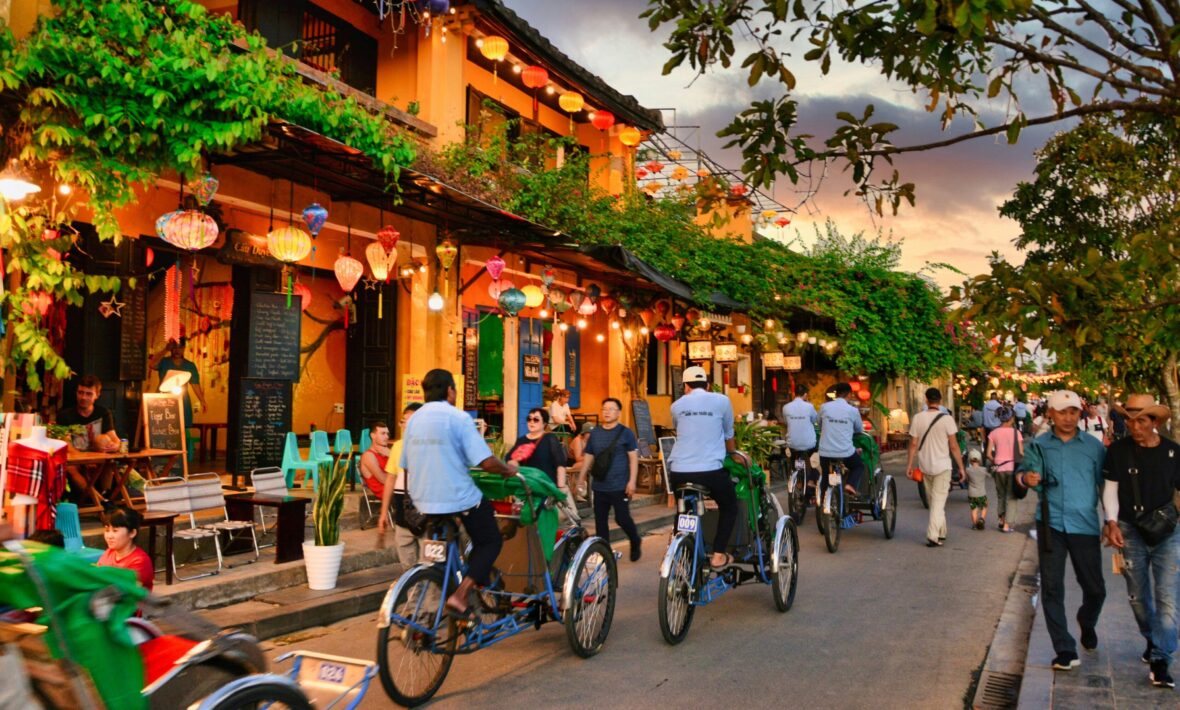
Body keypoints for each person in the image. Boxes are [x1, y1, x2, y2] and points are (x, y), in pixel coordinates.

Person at [400, 369, 518, 618]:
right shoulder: (457, 417)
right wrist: (508, 469)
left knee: (444, 551)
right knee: (490, 541)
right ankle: (461, 594)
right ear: (450, 391)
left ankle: (447, 586)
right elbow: (486, 462)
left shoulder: (413, 421)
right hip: (458, 499)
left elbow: (407, 466)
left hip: (421, 501)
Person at [1016, 389, 1107, 672]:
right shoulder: (1039, 445)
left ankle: (1087, 621)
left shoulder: (1094, 447)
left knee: (1095, 589)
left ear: (1080, 414)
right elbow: (1022, 475)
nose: (1068, 418)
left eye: (1073, 412)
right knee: (1052, 588)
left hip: (1084, 525)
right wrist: (1026, 478)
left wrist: (1112, 521)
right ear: (1051, 414)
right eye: (1062, 412)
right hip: (1051, 523)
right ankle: (1064, 649)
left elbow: (1106, 486)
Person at [1100, 394, 1180, 689]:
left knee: (1168, 597)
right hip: (1129, 530)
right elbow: (1110, 489)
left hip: (1167, 533)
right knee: (1137, 597)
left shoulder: (1173, 452)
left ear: (1154, 421)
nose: (1135, 427)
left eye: (1141, 421)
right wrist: (1111, 522)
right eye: (1130, 420)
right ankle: (1152, 639)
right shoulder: (1118, 451)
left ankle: (1161, 658)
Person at [667, 366, 739, 569]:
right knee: (729, 506)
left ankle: (679, 552)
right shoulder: (722, 401)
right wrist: (733, 454)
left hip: (678, 472)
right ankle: (718, 554)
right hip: (710, 471)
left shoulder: (676, 406)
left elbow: (679, 428)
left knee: (683, 508)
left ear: (685, 386)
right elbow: (728, 434)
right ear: (707, 385)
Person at [581, 398, 642, 562]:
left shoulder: (626, 433)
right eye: (604, 409)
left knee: (621, 518)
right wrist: (580, 478)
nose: (607, 412)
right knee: (600, 523)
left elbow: (633, 459)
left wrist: (632, 481)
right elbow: (588, 457)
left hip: (620, 486)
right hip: (599, 486)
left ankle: (635, 539)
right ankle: (605, 556)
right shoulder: (595, 433)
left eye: (611, 409)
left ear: (618, 413)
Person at [906, 387, 964, 546]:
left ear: (926, 400)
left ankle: (941, 532)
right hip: (943, 467)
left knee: (935, 502)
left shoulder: (918, 418)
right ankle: (933, 535)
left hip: (925, 466)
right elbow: (954, 446)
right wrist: (961, 467)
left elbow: (913, 444)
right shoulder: (947, 419)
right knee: (937, 502)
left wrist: (909, 465)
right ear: (940, 401)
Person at [508, 408, 580, 525]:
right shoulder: (521, 440)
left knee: (551, 521)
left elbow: (560, 463)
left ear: (544, 423)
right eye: (529, 419)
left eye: (536, 419)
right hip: (528, 490)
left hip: (548, 489)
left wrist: (561, 488)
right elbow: (510, 461)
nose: (531, 422)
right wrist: (516, 459)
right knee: (527, 522)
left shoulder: (549, 439)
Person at [56, 374, 120, 504]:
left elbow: (114, 437)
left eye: (88, 394)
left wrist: (116, 445)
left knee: (109, 457)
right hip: (76, 459)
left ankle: (106, 493)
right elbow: (67, 445)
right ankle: (100, 500)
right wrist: (85, 459)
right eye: (80, 392)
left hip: (98, 457)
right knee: (70, 468)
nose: (83, 397)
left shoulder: (103, 413)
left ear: (97, 395)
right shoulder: (65, 415)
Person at [379, 403, 423, 568]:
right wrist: (383, 513)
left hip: (428, 513)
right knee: (407, 564)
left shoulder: (433, 446)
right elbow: (391, 479)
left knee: (430, 566)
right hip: (404, 509)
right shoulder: (398, 446)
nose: (405, 426)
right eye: (404, 421)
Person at [818, 383, 866, 498]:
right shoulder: (853, 410)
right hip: (845, 453)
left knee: (826, 475)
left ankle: (823, 499)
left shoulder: (824, 407)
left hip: (825, 452)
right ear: (849, 394)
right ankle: (850, 484)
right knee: (858, 466)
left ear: (836, 394)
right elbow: (859, 429)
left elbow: (820, 424)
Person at [150, 338, 207, 430]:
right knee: (162, 428)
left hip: (182, 400)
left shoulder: (190, 365)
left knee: (182, 428)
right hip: (163, 399)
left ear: (184, 348)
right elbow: (152, 365)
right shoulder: (164, 362)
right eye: (174, 347)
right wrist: (165, 350)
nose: (177, 350)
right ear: (171, 348)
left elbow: (195, 384)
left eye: (180, 347)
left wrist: (202, 400)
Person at [96, 506, 154, 591]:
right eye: (107, 530)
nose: (109, 536)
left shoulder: (140, 560)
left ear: (132, 533)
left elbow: (127, 591)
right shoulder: (109, 553)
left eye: (115, 531)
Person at [987, 405, 1024, 533]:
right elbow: (1020, 452)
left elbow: (988, 454)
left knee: (1001, 495)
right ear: (1011, 418)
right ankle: (1007, 525)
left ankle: (1001, 520)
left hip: (998, 468)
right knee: (1011, 496)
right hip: (1012, 468)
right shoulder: (1016, 433)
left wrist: (996, 461)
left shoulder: (994, 433)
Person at [782, 383, 818, 487]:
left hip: (792, 443)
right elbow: (815, 420)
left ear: (794, 393)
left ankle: (796, 476)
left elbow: (786, 422)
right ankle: (811, 479)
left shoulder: (786, 407)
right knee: (814, 458)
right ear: (805, 395)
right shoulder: (809, 406)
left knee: (794, 456)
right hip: (808, 443)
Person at [359, 420, 392, 502]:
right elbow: (384, 480)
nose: (387, 437)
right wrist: (393, 456)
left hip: (397, 490)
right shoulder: (368, 455)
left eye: (387, 434)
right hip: (388, 493)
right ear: (373, 435)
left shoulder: (387, 452)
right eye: (383, 433)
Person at [567, 422, 594, 502]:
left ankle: (590, 490)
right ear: (584, 433)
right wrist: (592, 457)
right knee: (584, 465)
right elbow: (578, 458)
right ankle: (577, 491)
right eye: (589, 433)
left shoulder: (590, 441)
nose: (592, 435)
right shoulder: (578, 440)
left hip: (583, 462)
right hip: (572, 463)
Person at [965, 449, 989, 530]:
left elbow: (967, 479)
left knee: (974, 509)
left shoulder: (967, 470)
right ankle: (981, 519)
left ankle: (975, 525)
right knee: (985, 506)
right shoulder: (984, 470)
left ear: (970, 460)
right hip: (981, 493)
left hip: (971, 494)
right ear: (980, 460)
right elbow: (990, 475)